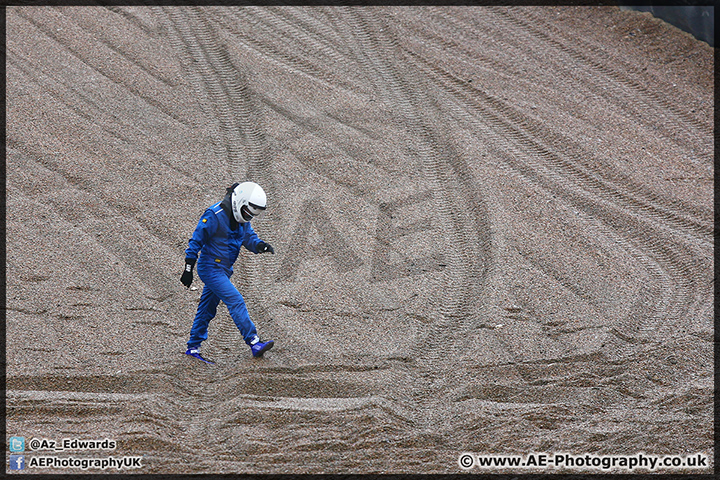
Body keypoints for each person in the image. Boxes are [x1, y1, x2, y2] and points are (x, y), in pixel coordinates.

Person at [180, 181, 275, 363]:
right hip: (210, 269)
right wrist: (188, 268)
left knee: (206, 309)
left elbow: (248, 237)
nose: (248, 217)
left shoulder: (241, 220)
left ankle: (193, 348)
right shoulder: (214, 215)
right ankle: (254, 342)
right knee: (235, 300)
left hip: (224, 270)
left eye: (252, 215)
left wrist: (260, 246)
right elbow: (196, 241)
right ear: (239, 203)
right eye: (248, 212)